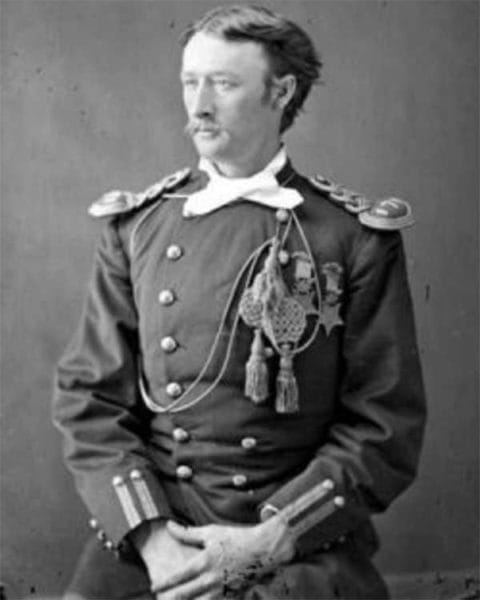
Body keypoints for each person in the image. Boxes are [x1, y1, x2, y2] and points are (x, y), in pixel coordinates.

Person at [53, 5, 426, 599]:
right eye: (189, 81)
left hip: (288, 536)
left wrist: (270, 539)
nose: (198, 105)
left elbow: (384, 426)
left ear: (282, 92)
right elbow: (90, 400)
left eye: (223, 83)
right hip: (156, 534)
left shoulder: (351, 236)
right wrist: (152, 539)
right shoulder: (136, 227)